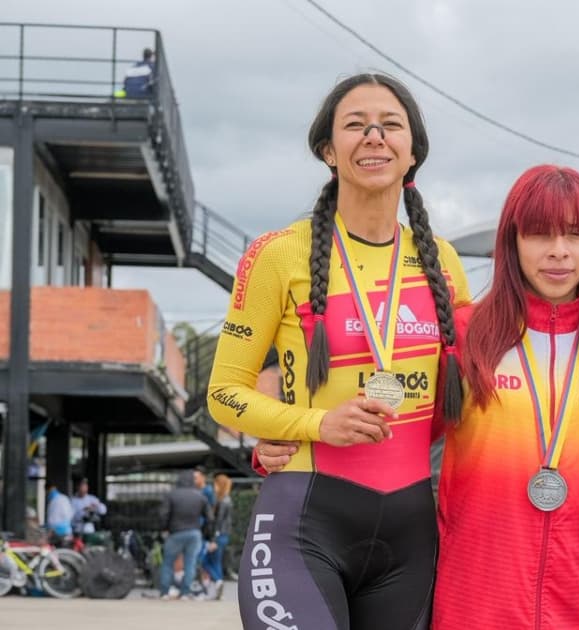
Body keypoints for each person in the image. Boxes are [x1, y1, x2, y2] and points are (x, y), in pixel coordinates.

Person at [206, 72, 469, 629]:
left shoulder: (443, 262)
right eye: (355, 125)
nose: (374, 136)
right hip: (303, 523)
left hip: (410, 532)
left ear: (413, 150)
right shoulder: (278, 255)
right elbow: (224, 395)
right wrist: (313, 425)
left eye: (390, 125)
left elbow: (474, 383)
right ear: (328, 150)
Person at [433, 165, 579, 629]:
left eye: (575, 234)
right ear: (512, 241)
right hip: (478, 596)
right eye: (539, 235)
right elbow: (402, 441)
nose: (558, 252)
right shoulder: (467, 335)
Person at [159, 469, 211, 600]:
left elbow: (163, 515)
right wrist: (204, 533)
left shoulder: (171, 495)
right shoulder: (200, 496)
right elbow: (210, 518)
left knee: (168, 562)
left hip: (175, 533)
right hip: (194, 533)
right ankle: (185, 592)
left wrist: (164, 528)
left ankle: (165, 592)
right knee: (190, 563)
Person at [199, 473, 233, 600]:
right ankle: (219, 587)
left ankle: (218, 580)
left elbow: (218, 521)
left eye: (215, 484)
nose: (213, 487)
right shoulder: (227, 499)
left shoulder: (222, 501)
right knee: (216, 561)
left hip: (218, 535)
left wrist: (214, 539)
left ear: (219, 484)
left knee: (204, 560)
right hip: (224, 535)